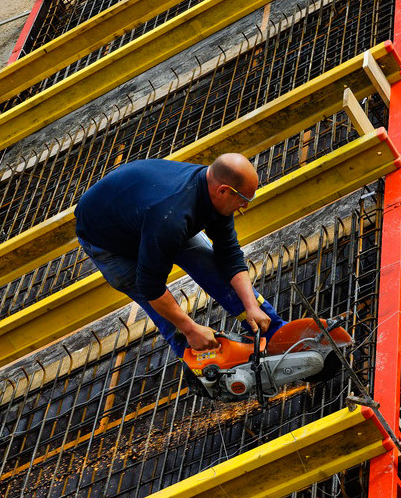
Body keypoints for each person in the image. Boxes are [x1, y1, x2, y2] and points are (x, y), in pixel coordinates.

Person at [74, 152, 284, 358]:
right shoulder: (171, 220)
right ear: (223, 191)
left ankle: (275, 333)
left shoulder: (214, 194)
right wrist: (190, 328)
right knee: (172, 319)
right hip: (109, 243)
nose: (245, 205)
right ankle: (202, 364)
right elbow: (151, 288)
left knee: (213, 269)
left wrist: (250, 306)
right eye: (244, 199)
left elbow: (229, 255)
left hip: (146, 215)